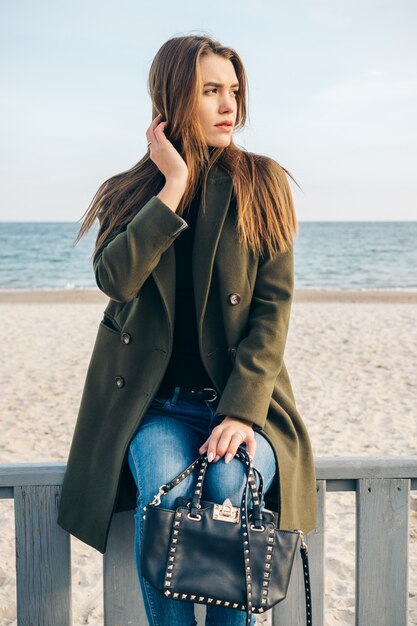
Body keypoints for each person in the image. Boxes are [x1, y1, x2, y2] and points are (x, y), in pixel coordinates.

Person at [58, 34, 317, 626]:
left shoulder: (262, 183)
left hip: (245, 405)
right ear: (174, 99)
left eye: (234, 90)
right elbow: (116, 279)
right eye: (210, 91)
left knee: (228, 492)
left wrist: (241, 412)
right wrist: (171, 186)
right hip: (157, 409)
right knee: (165, 499)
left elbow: (272, 311)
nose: (230, 105)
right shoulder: (129, 192)